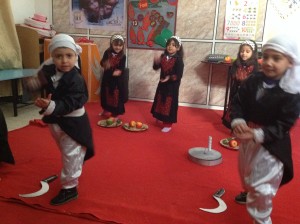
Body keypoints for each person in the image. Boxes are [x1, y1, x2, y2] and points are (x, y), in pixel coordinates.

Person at [230, 35, 300, 224]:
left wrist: (258, 134)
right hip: (247, 140)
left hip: (270, 146)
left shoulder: (292, 91)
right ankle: (251, 191)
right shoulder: (255, 79)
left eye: (276, 58)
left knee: (262, 186)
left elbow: (284, 124)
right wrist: (238, 120)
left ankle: (262, 218)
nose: (269, 62)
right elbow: (238, 101)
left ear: (290, 61)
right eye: (266, 56)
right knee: (247, 175)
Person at [24, 34, 94, 206]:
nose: (64, 61)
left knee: (71, 153)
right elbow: (41, 78)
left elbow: (74, 101)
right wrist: (34, 85)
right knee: (66, 151)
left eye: (69, 56)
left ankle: (70, 188)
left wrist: (52, 105)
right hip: (56, 121)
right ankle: (75, 165)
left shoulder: (76, 79)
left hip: (73, 123)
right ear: (52, 57)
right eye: (58, 56)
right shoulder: (50, 70)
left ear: (75, 56)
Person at [222, 39, 259, 129]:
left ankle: (244, 127)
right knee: (235, 107)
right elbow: (233, 75)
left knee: (245, 110)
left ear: (253, 53)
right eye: (242, 51)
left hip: (248, 93)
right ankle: (234, 125)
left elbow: (255, 81)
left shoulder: (255, 65)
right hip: (237, 90)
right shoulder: (236, 63)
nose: (244, 54)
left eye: (247, 51)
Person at [151, 36, 184, 132]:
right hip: (162, 85)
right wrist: (156, 61)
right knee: (160, 100)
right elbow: (156, 67)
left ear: (178, 48)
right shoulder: (163, 56)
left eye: (173, 45)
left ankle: (168, 124)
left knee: (169, 103)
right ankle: (160, 116)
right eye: (169, 44)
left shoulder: (179, 60)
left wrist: (169, 78)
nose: (170, 47)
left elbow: (178, 75)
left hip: (172, 87)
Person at [99, 34, 126, 118]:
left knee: (115, 96)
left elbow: (121, 68)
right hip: (107, 78)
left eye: (120, 45)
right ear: (111, 44)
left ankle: (116, 113)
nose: (118, 47)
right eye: (115, 45)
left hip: (116, 81)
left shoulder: (123, 56)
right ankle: (106, 110)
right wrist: (104, 64)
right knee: (105, 94)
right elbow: (102, 63)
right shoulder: (107, 53)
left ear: (122, 46)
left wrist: (118, 72)